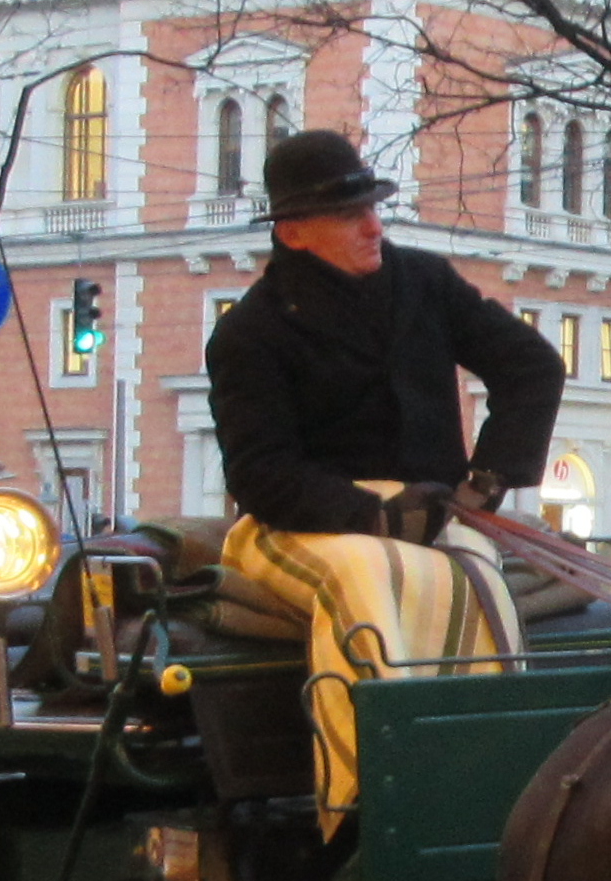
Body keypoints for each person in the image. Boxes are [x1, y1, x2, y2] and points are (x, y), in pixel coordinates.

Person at [205, 129, 564, 825]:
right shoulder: (250, 333)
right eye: (350, 215)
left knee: (480, 581)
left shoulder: (425, 283)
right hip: (304, 524)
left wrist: (485, 484)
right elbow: (260, 472)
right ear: (294, 232)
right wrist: (371, 515)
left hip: (432, 511)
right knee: (365, 580)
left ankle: (495, 793)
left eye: (373, 208)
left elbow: (531, 366)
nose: (374, 226)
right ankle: (369, 801)